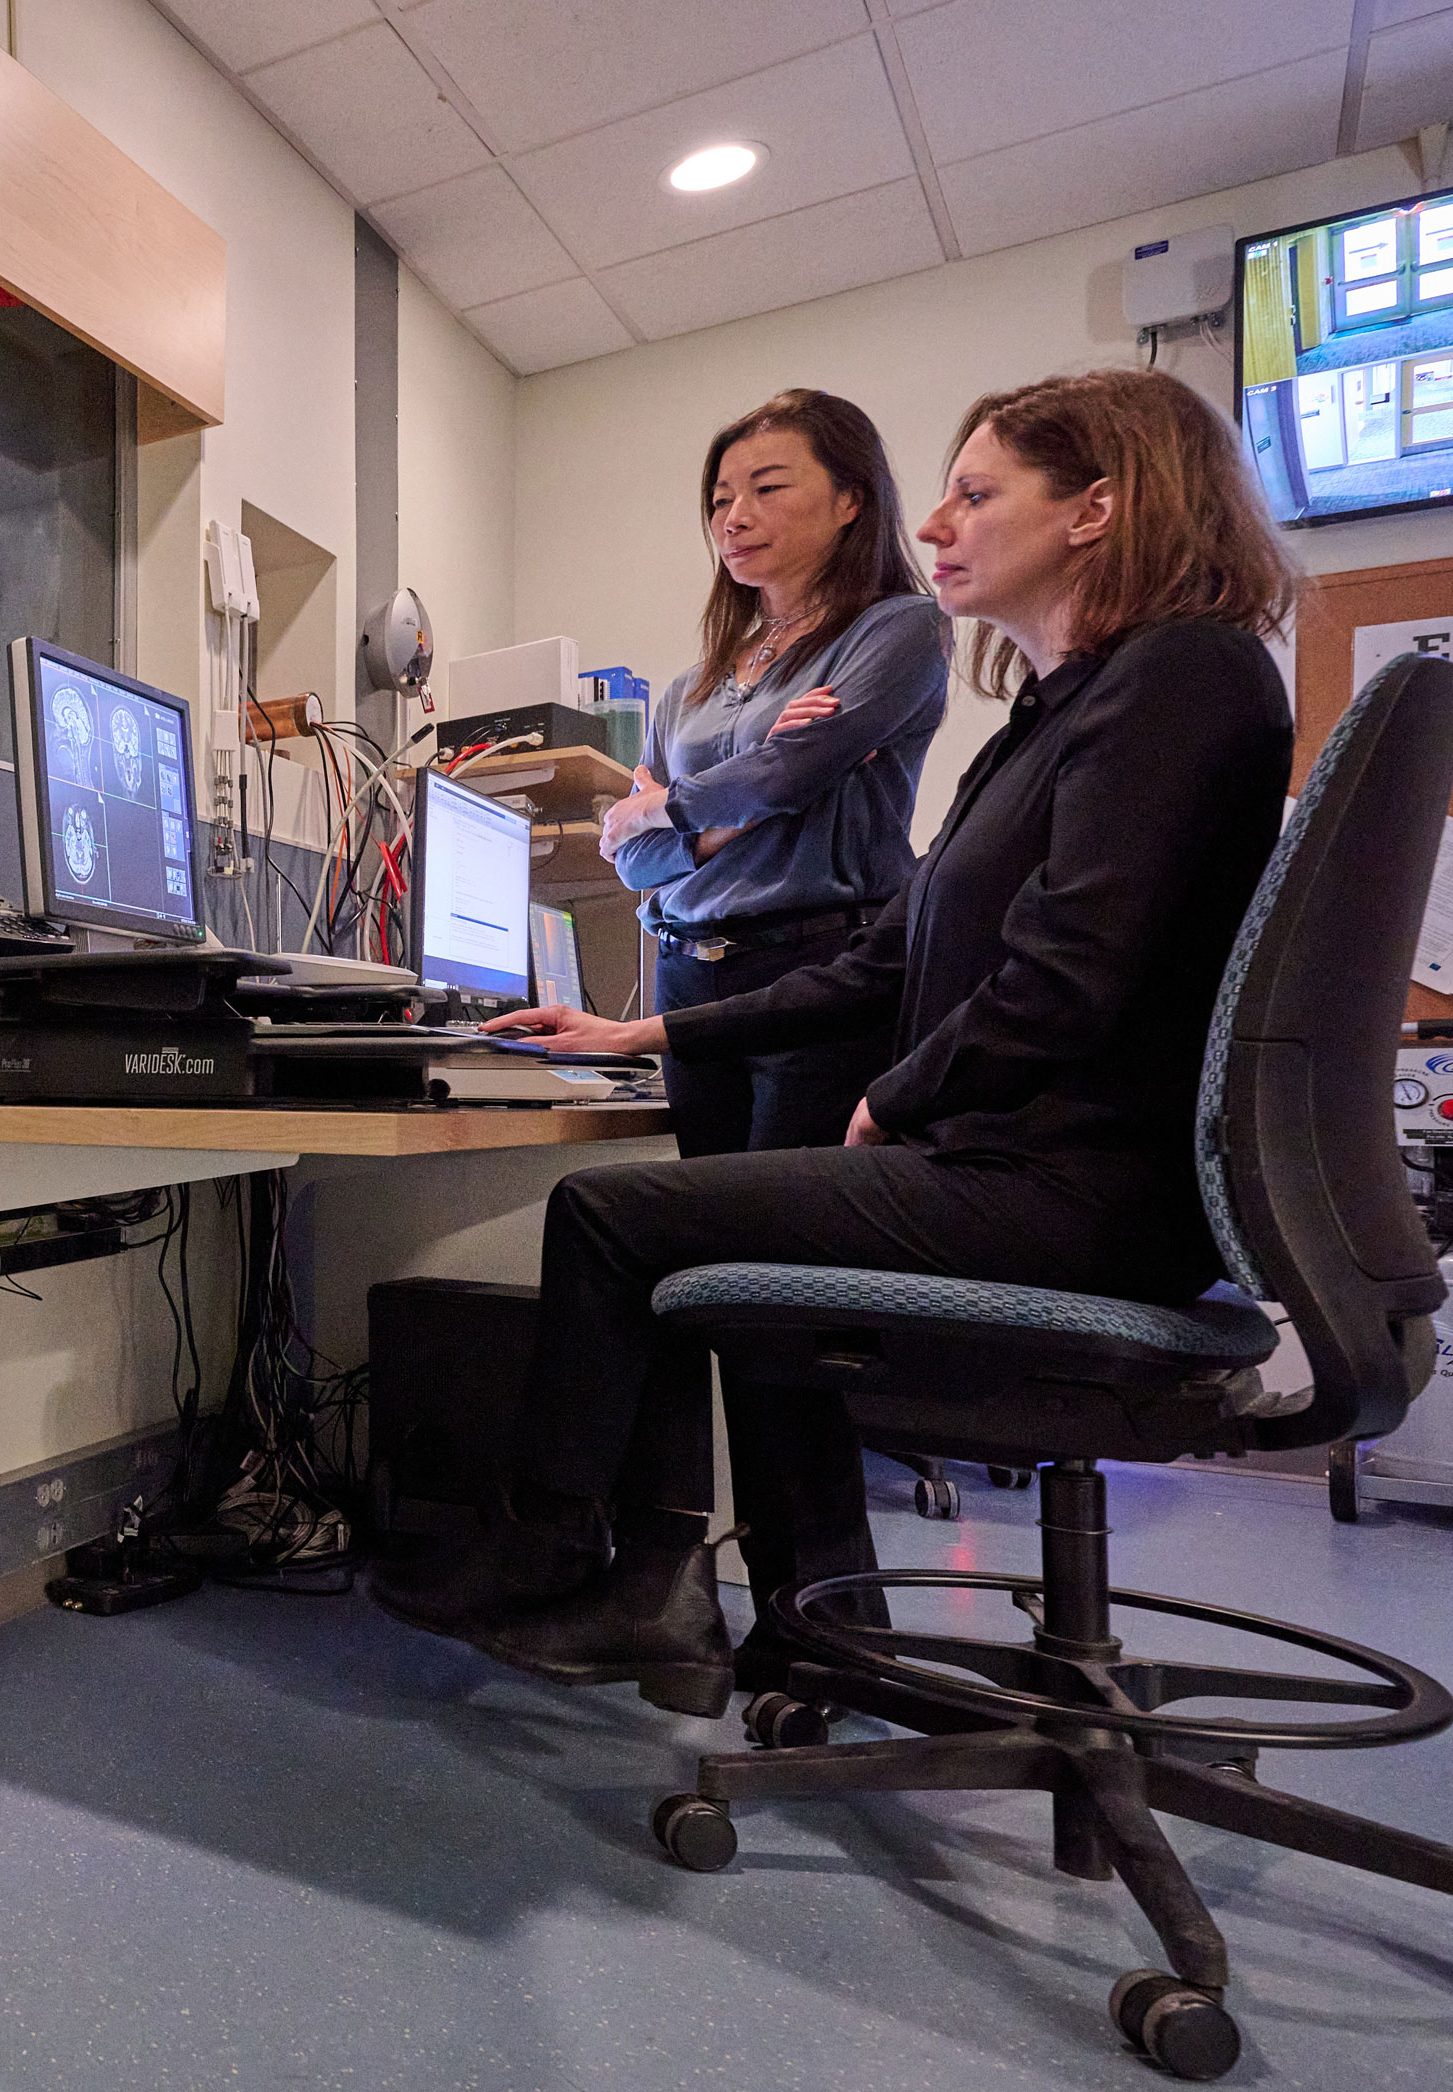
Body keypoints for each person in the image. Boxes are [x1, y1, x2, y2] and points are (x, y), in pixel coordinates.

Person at [384, 366, 1303, 1718]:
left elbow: (1070, 978)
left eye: (979, 494)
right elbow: (894, 951)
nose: (941, 526)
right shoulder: (1073, 711)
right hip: (1047, 1167)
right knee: (681, 1245)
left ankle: (585, 1573)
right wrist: (648, 1022)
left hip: (1068, 1189)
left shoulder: (1181, 678)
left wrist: (900, 1098)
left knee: (607, 1215)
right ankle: (744, 1607)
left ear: (1099, 510)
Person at [586, 390, 951, 1691]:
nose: (735, 516)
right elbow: (640, 857)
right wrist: (687, 817)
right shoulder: (700, 679)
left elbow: (782, 785)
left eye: (770, 487)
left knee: (787, 1302)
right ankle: (777, 1609)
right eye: (720, 495)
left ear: (851, 498)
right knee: (728, 1299)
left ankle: (837, 1628)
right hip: (699, 984)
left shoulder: (899, 630)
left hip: (816, 973)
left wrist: (679, 806)